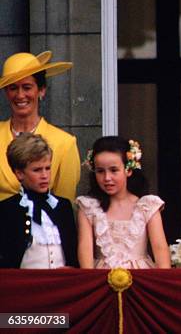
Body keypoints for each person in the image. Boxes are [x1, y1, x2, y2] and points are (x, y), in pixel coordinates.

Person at [76, 136, 170, 269]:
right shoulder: (88, 207)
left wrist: (161, 286)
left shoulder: (147, 206)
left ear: (128, 170)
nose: (107, 178)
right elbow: (85, 250)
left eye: (114, 170)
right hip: (101, 278)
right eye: (100, 171)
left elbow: (160, 250)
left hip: (140, 278)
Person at [0, 51, 80, 201]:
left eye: (27, 87)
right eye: (13, 88)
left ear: (41, 90)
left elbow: (64, 206)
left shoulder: (64, 143)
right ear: (6, 92)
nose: (20, 95)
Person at [0, 133, 77, 268]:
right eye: (37, 170)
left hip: (62, 285)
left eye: (47, 168)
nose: (45, 175)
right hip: (25, 286)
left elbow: (72, 253)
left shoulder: (62, 206)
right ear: (19, 173)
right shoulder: (7, 209)